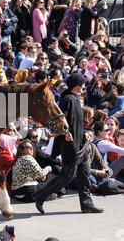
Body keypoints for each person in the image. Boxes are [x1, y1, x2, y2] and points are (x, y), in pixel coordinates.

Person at [33, 72, 104, 214]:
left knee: (84, 175)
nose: (85, 86)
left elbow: (76, 122)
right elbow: (56, 122)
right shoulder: (67, 100)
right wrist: (63, 134)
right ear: (78, 86)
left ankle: (86, 204)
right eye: (83, 84)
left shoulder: (76, 99)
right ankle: (40, 194)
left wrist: (84, 132)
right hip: (70, 146)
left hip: (81, 144)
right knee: (67, 175)